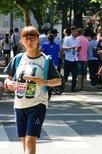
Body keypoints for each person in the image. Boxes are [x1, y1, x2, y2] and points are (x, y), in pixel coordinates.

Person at [3, 26, 61, 154]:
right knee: (24, 139)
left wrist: (44, 82)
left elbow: (58, 80)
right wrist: (9, 83)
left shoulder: (45, 60)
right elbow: (8, 78)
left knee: (31, 139)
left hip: (37, 105)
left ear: (37, 40)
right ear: (22, 41)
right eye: (26, 38)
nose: (29, 41)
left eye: (32, 38)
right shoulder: (18, 59)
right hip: (19, 105)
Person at [62, 26, 80, 92]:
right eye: (75, 31)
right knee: (66, 74)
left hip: (75, 58)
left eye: (77, 31)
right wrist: (71, 47)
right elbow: (64, 48)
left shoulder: (77, 40)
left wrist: (78, 49)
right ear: (72, 31)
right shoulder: (68, 39)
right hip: (68, 58)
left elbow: (78, 48)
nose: (76, 33)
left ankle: (73, 88)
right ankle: (62, 87)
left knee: (75, 74)